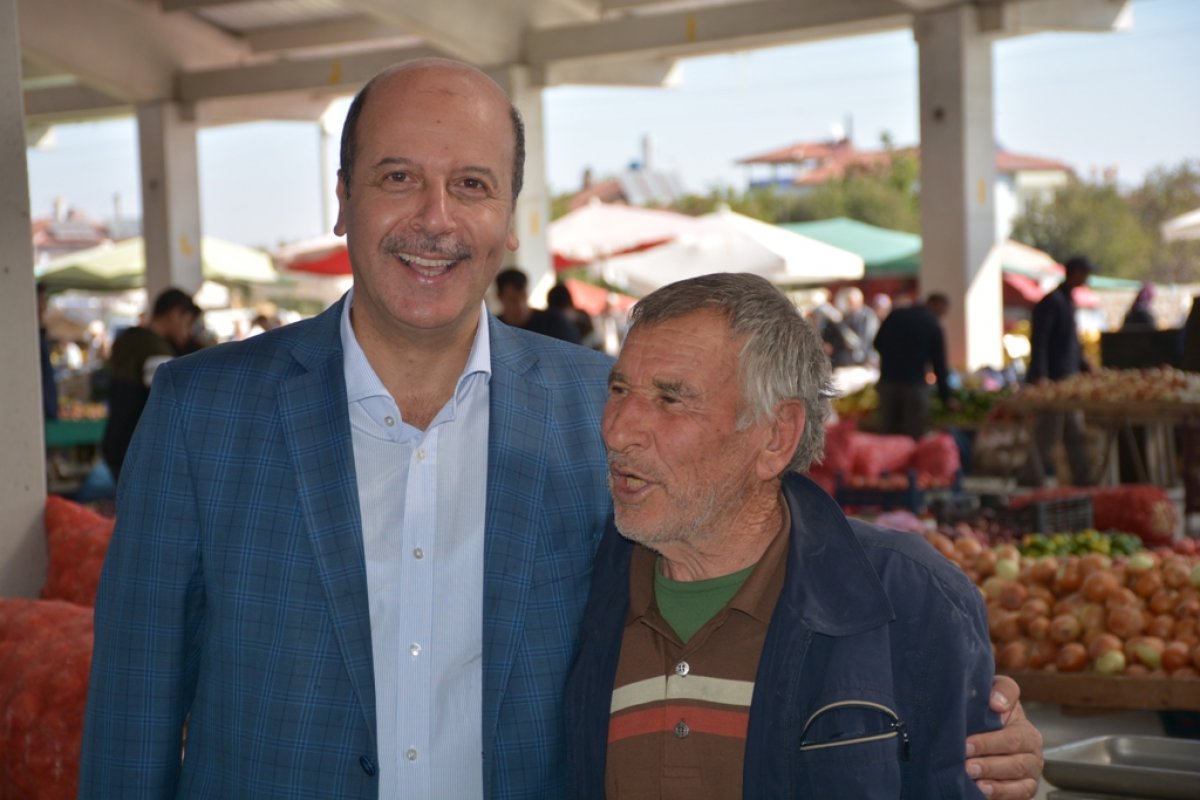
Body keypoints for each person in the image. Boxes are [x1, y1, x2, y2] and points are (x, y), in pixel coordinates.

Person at [80, 60, 1041, 800]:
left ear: (510, 216)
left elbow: (757, 538)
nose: (434, 219)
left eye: (471, 185)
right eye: (398, 177)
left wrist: (951, 705)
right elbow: (132, 713)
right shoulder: (204, 413)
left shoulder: (602, 409)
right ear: (342, 198)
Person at [566, 273, 1033, 798]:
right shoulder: (570, 587)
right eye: (619, 390)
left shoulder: (911, 599)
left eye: (671, 399)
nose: (616, 430)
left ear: (776, 435)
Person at [99, 286, 200, 482]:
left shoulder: (127, 340)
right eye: (188, 323)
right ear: (175, 314)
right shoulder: (156, 350)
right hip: (139, 449)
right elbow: (167, 404)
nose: (188, 333)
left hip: (116, 442)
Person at [1022, 255, 1096, 486]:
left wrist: (1083, 364)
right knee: (1048, 431)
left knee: (1074, 432)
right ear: (1076, 273)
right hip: (1054, 379)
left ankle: (1083, 479)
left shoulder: (1067, 301)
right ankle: (1030, 478)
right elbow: (1040, 340)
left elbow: (1070, 342)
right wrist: (1041, 375)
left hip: (1068, 377)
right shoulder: (1052, 302)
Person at [873, 292, 954, 438]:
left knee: (889, 433)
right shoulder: (932, 324)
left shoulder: (896, 315)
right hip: (914, 384)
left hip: (888, 381)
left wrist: (893, 357)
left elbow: (877, 343)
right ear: (938, 305)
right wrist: (946, 397)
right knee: (914, 433)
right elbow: (939, 364)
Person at [495, 266, 582, 343]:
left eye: (524, 297)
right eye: (513, 300)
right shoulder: (494, 329)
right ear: (499, 297)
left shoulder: (554, 322)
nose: (520, 305)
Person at [35, 283, 58, 420]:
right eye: (43, 299)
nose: (45, 305)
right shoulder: (33, 334)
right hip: (39, 403)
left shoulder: (40, 331)